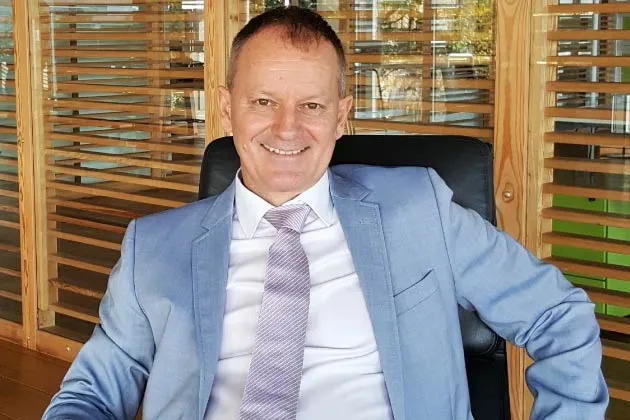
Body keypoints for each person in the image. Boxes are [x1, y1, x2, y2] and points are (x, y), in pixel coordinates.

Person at [43, 6, 608, 420]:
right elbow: (91, 394)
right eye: (263, 102)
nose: (287, 128)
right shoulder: (151, 248)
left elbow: (558, 315)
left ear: (341, 116)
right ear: (227, 108)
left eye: (311, 105)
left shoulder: (421, 208)